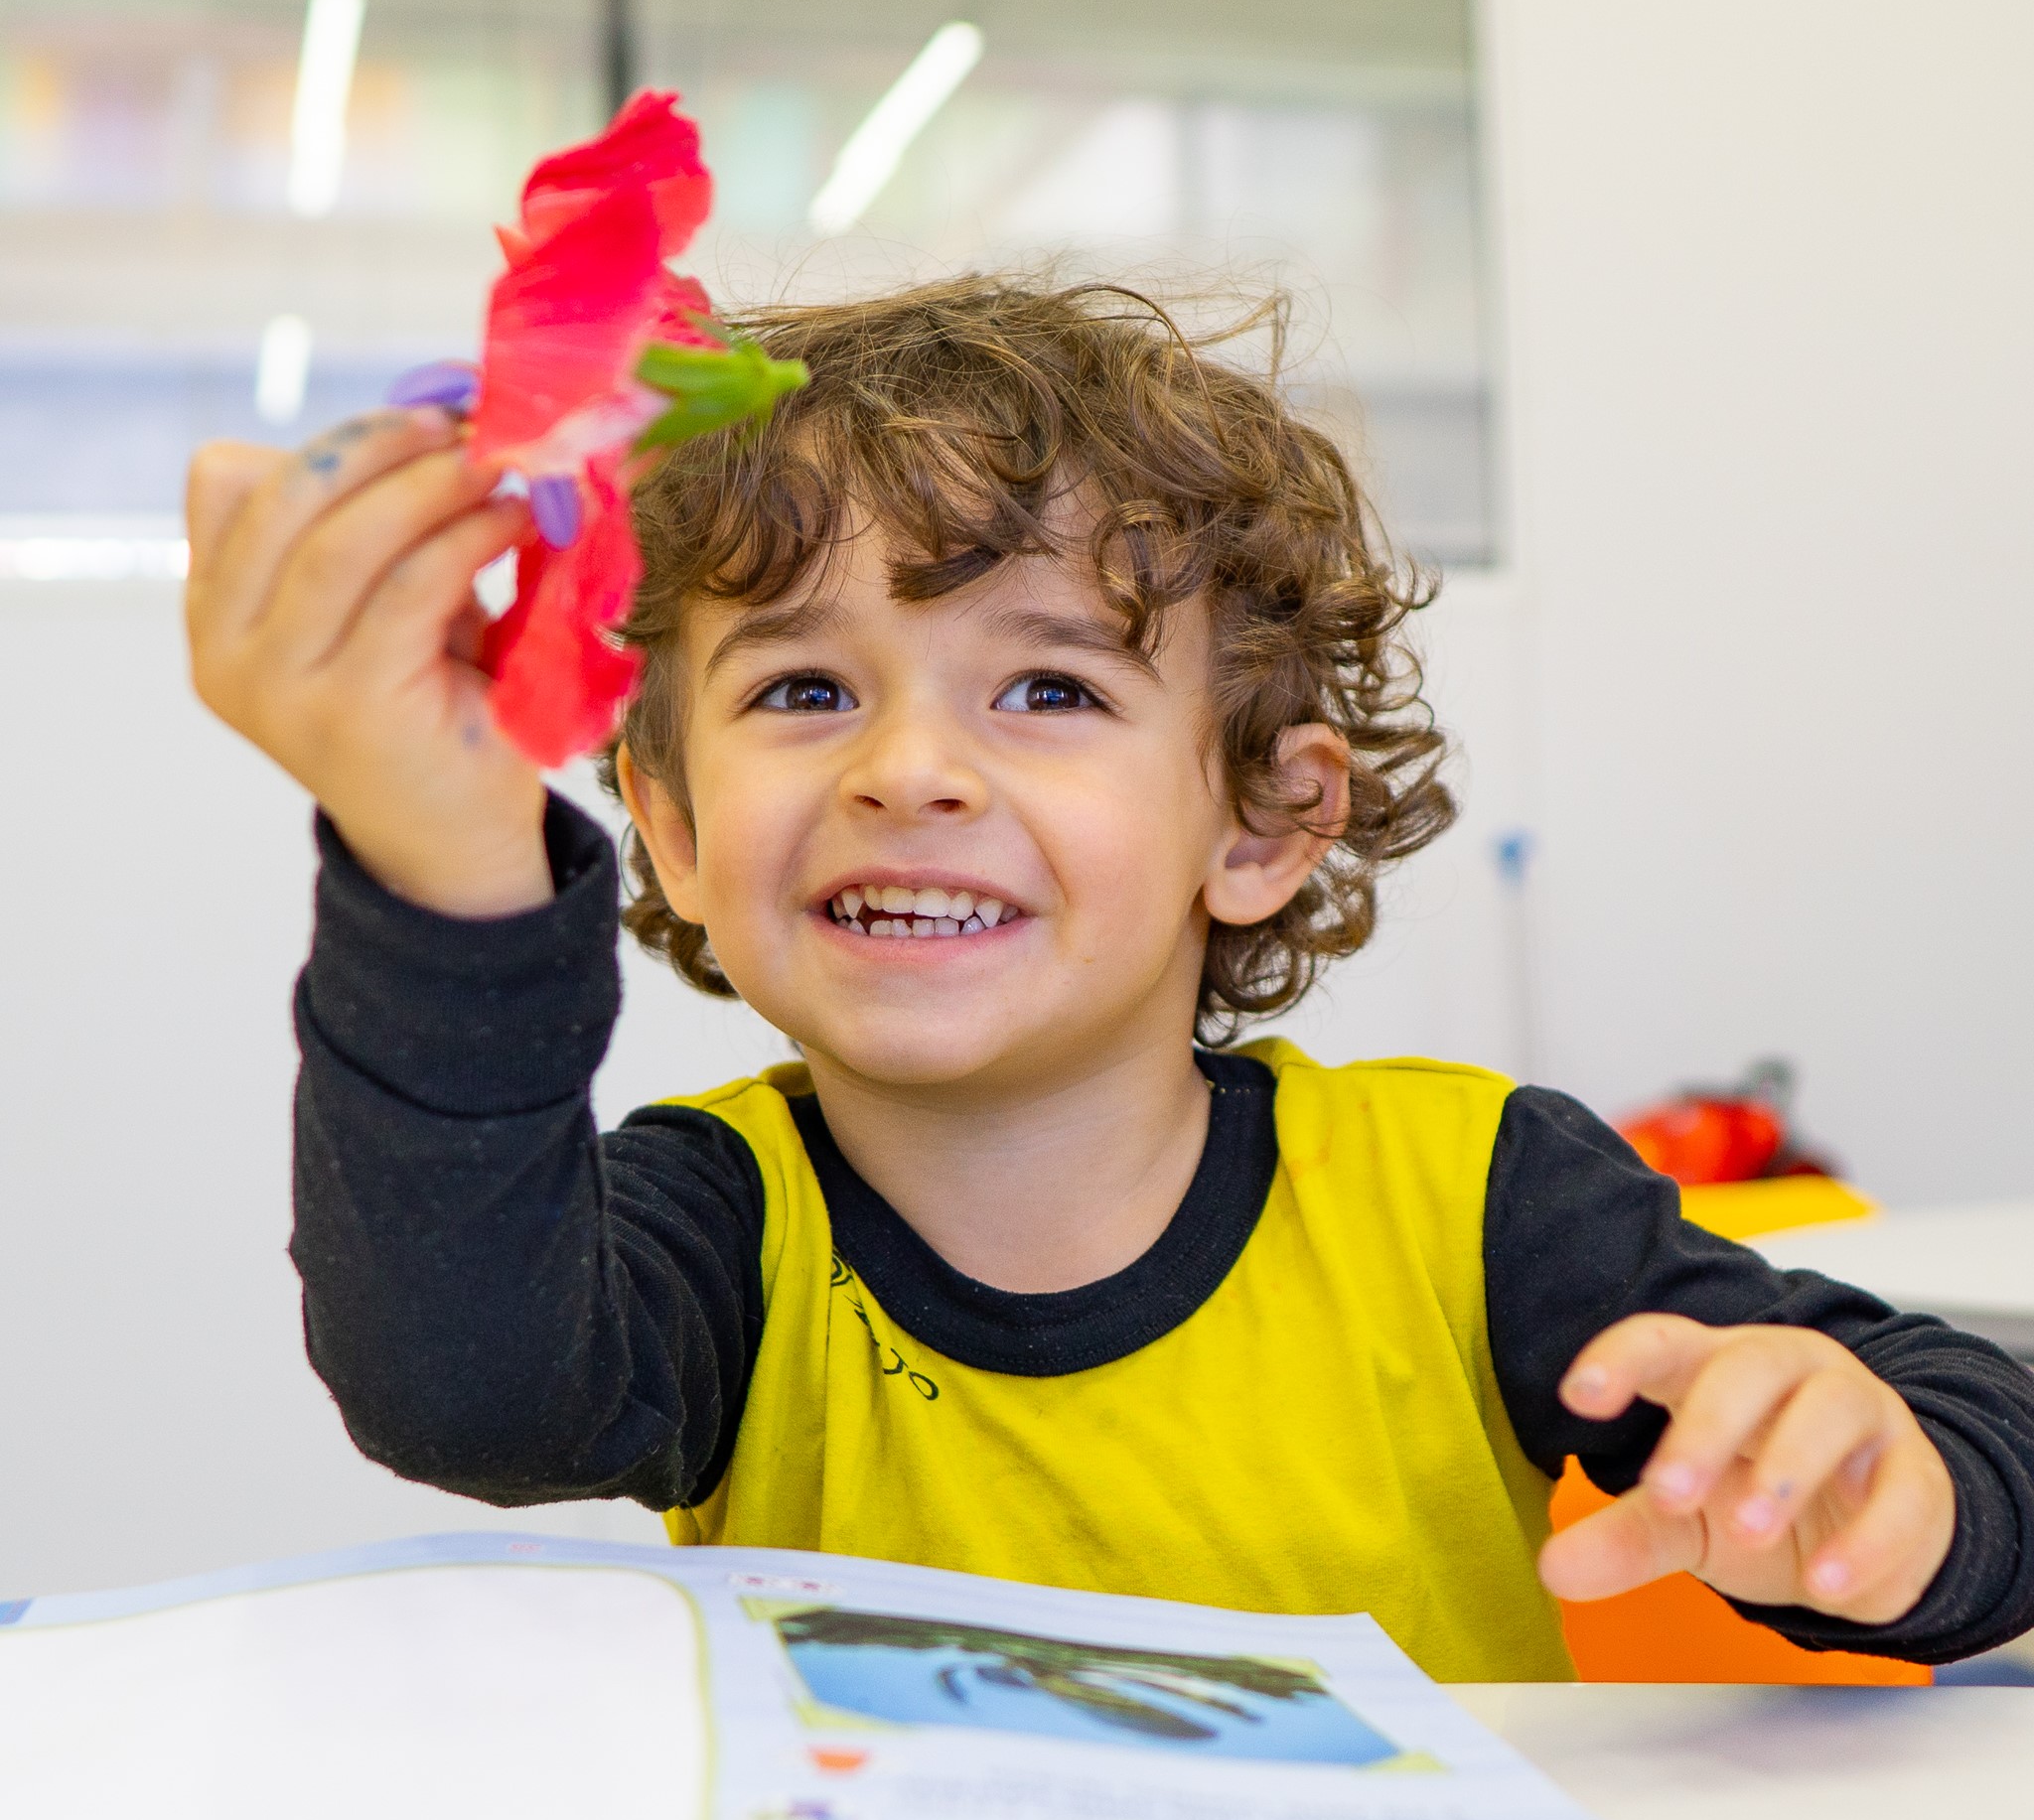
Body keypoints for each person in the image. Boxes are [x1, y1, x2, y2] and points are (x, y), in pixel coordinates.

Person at [185, 276, 2034, 1681]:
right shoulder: (722, 1229)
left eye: (1049, 687)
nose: (910, 769)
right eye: (806, 689)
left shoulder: (1471, 1199)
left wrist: (1884, 1497)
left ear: (1264, 819)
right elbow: (463, 1388)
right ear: (666, 820)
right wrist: (442, 864)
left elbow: (1983, 1436)